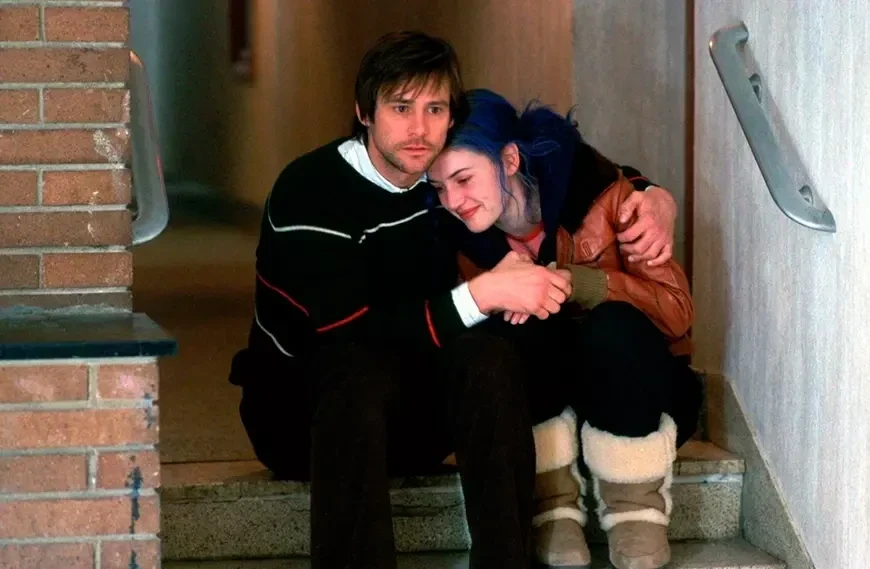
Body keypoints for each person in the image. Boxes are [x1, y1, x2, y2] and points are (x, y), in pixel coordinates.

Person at [228, 31, 680, 569]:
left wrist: (652, 194)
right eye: (401, 108)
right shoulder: (310, 190)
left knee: (490, 356)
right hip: (304, 423)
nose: (419, 129)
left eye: (435, 109)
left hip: (414, 420)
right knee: (354, 369)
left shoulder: (440, 191)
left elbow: (567, 168)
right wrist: (480, 295)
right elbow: (345, 330)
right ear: (364, 113)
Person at [428, 89, 702, 569]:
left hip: (630, 391)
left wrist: (584, 284)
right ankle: (553, 505)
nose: (453, 201)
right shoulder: (455, 241)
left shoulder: (602, 195)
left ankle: (636, 512)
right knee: (510, 333)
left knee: (612, 323)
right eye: (439, 187)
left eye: (464, 179)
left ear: (509, 159)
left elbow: (677, 312)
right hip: (544, 407)